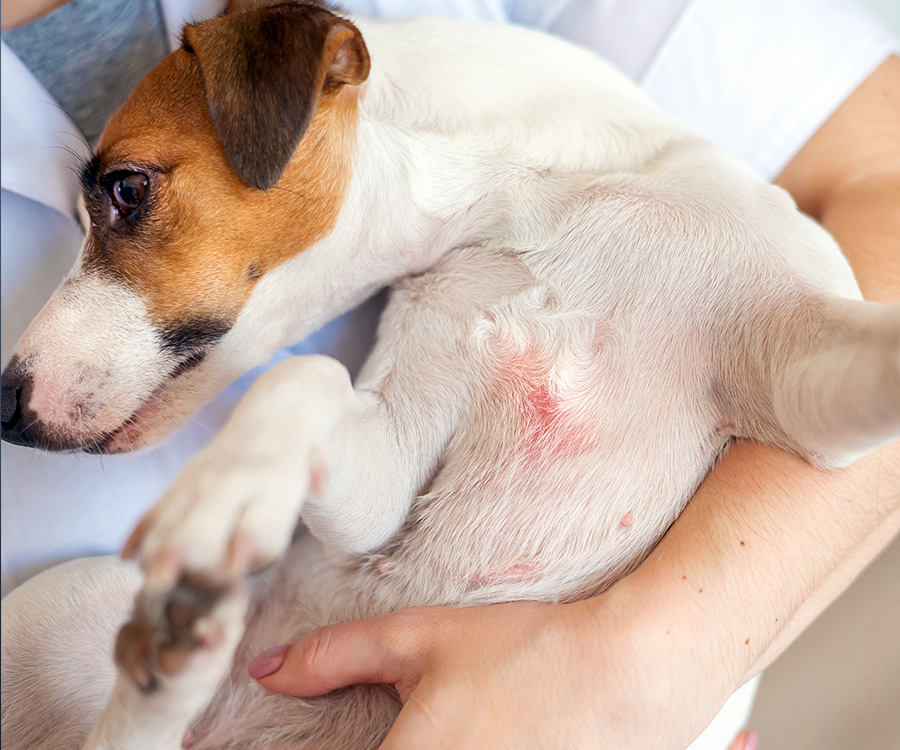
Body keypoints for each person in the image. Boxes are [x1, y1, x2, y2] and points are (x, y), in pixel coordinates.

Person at [1, 1, 897, 748]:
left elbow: (843, 344)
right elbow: (375, 504)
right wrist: (295, 416)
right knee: (68, 623)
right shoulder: (450, 274)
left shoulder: (705, 222)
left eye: (127, 197)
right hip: (231, 687)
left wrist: (646, 667)